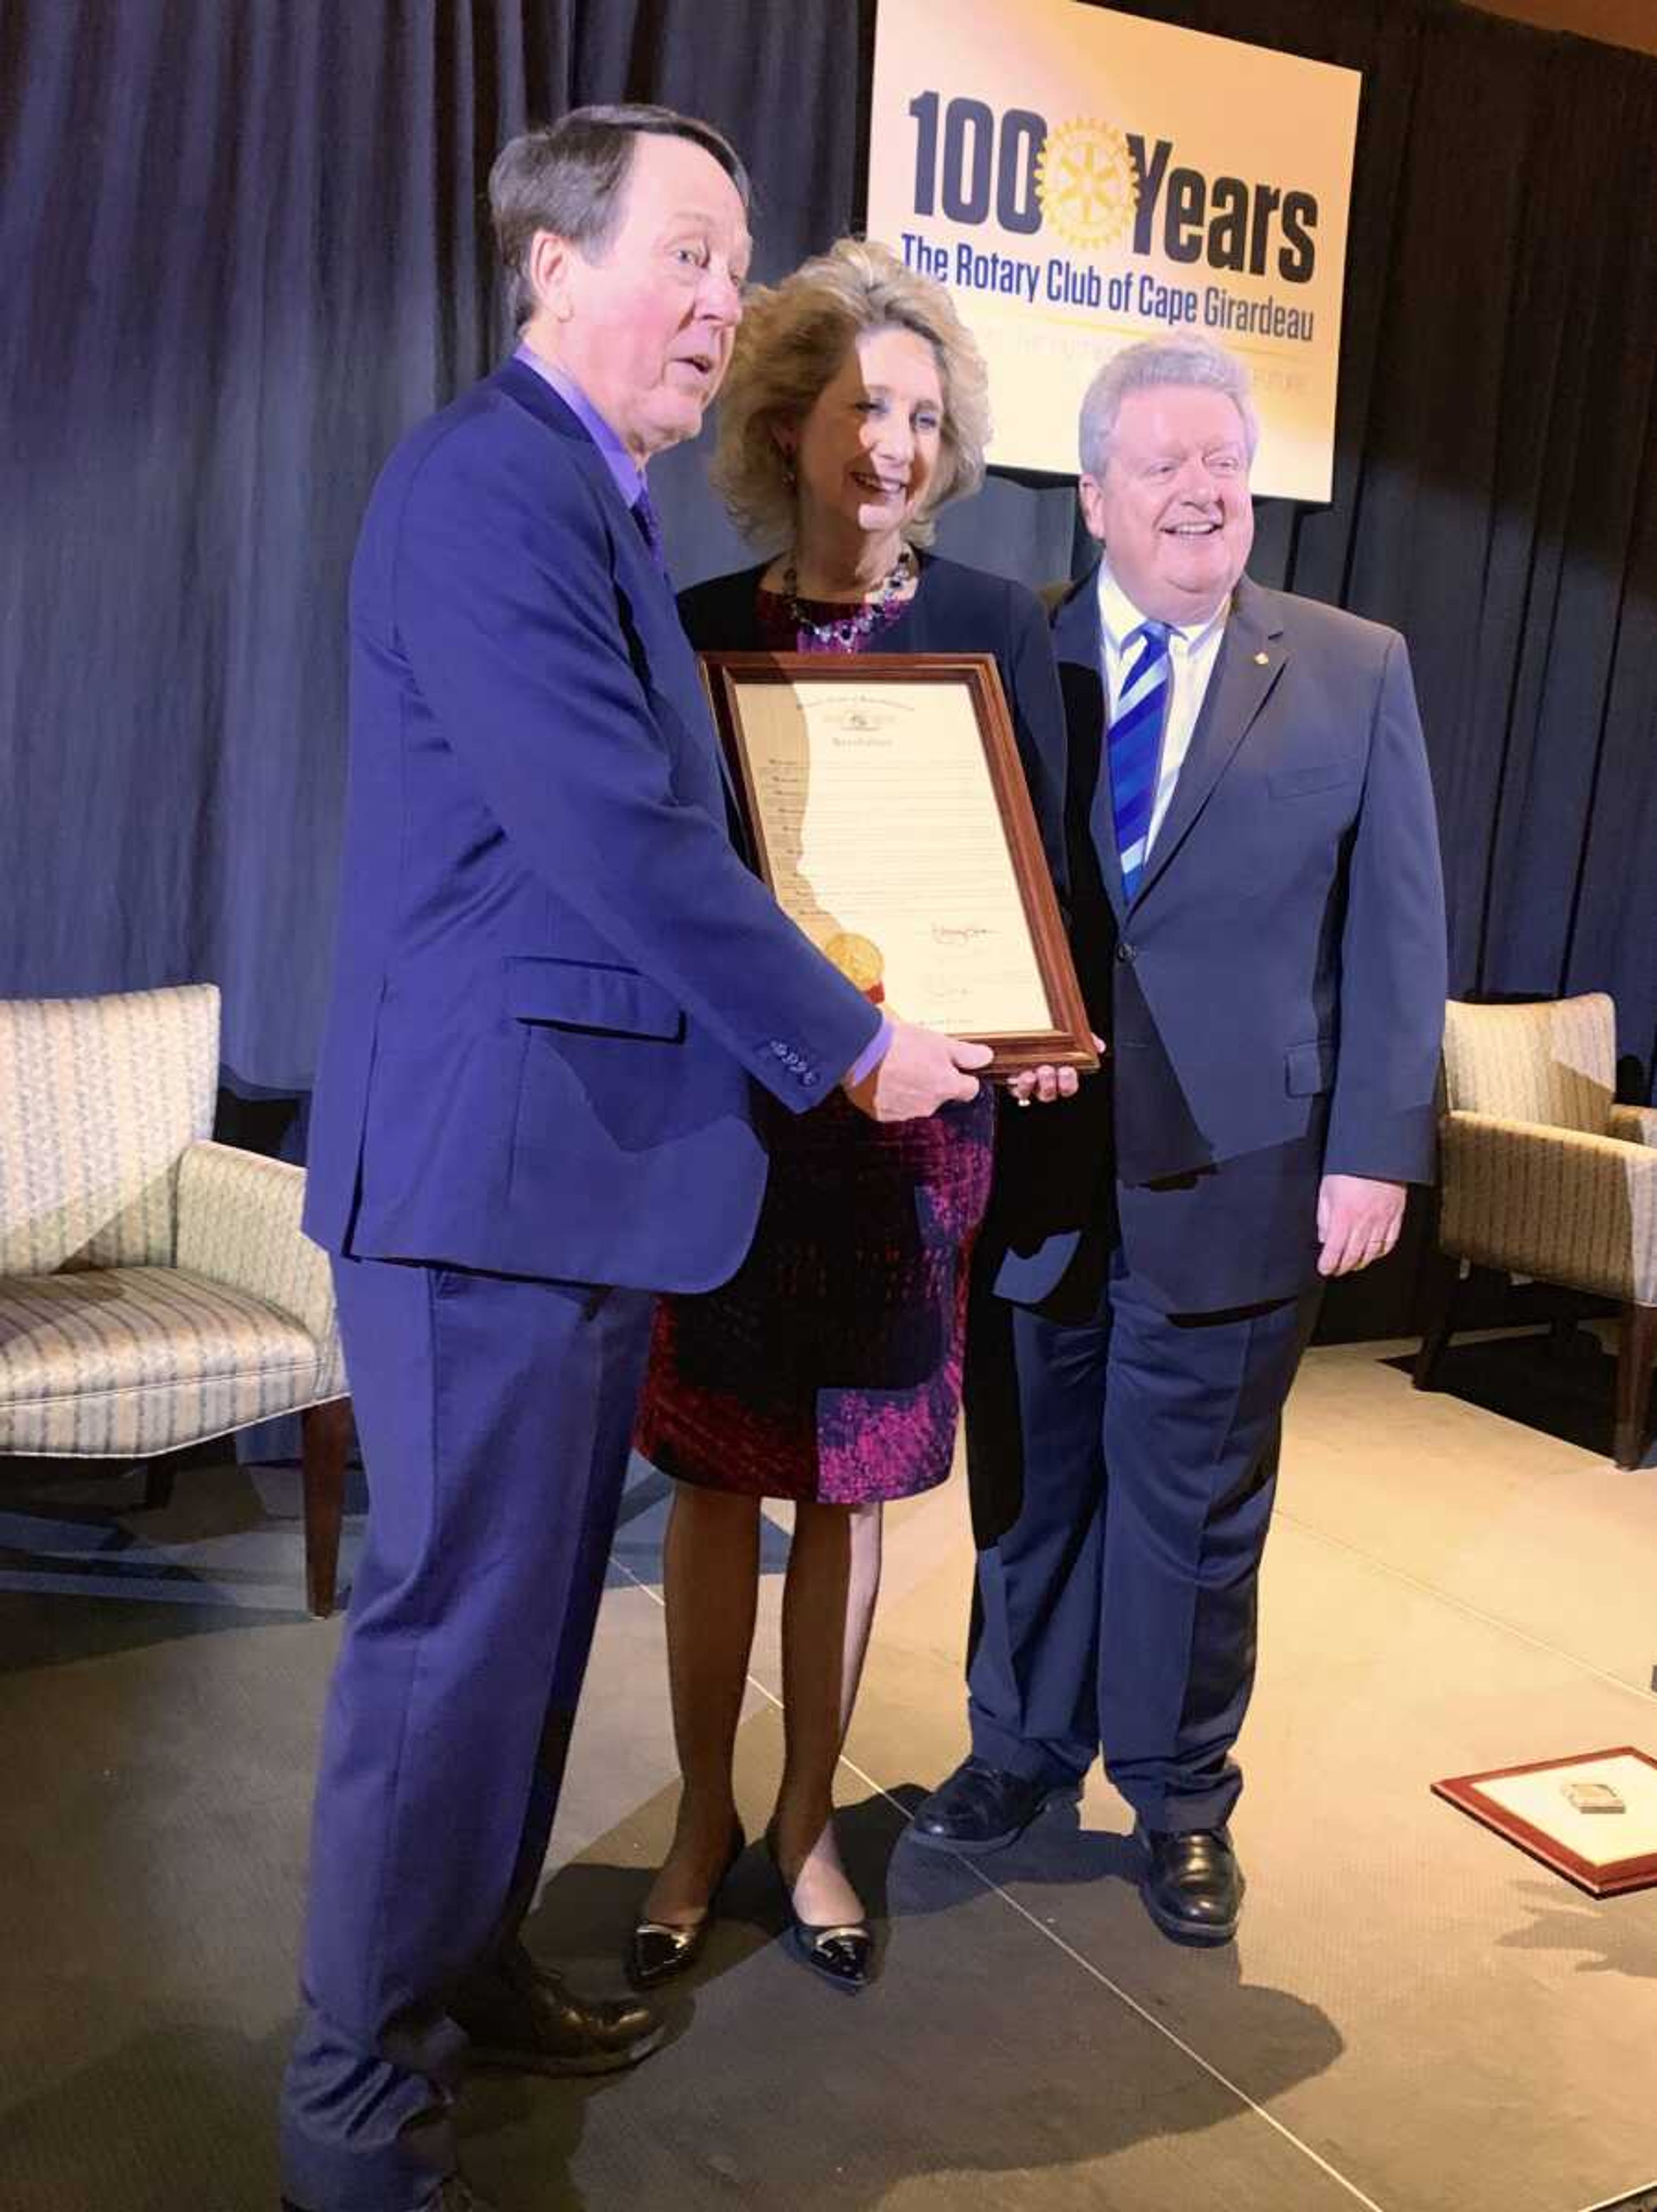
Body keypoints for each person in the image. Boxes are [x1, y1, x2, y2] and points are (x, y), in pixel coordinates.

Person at [282, 114, 991, 2212]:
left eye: (736, 264)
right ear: (551, 266)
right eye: (685, 257)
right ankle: (351, 2118)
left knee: (512, 1647)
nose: (720, 303)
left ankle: (463, 1967)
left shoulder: (578, 500)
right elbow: (617, 831)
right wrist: (855, 1039)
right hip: (488, 1190)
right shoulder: (492, 489)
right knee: (449, 1652)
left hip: (569, 1185)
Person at [911, 337, 1447, 1948]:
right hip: (1042, 1170)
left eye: (1228, 461)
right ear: (1092, 496)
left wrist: (1379, 1153)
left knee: (1201, 1513)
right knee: (1030, 1486)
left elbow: (1399, 931)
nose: (1207, 490)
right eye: (1166, 465)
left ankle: (1182, 1796)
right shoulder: (1018, 659)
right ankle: (1018, 1750)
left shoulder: (1357, 666)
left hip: (1249, 1171)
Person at [628, 237, 1072, 1995]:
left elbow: (1032, 884)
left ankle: (809, 1815)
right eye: (856, 408)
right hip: (738, 1126)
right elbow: (670, 885)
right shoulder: (700, 634)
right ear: (788, 424)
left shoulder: (992, 629)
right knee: (718, 1484)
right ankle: (696, 1816)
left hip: (912, 1142)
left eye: (918, 412)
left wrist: (1045, 1029)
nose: (889, 442)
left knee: (852, 1493)